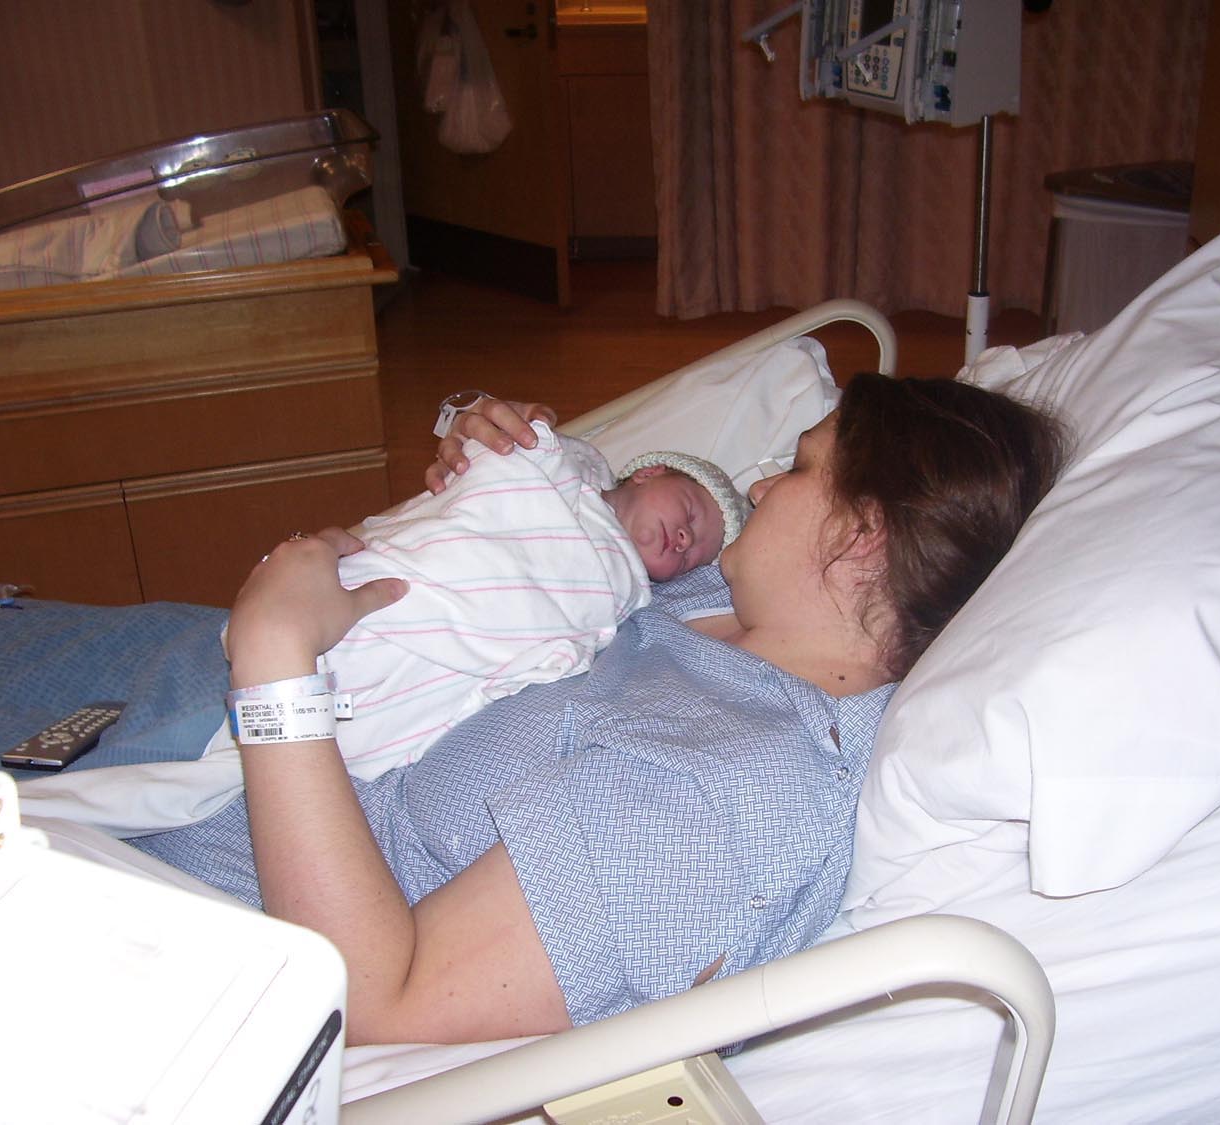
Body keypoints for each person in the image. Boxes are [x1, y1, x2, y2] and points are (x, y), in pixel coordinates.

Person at [125, 374, 1066, 1047]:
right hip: (210, 734)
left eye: (797, 468)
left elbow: (380, 997)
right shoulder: (723, 600)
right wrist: (503, 473)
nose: (759, 486)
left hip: (181, 930)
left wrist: (275, 659)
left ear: (861, 535)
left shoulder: (719, 794)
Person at [203, 413, 750, 778]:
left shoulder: (626, 589)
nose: (683, 539)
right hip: (392, 582)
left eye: (691, 553)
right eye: (689, 512)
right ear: (649, 473)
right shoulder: (561, 469)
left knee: (342, 695)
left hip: (440, 650)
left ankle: (272, 709)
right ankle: (270, 683)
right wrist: (479, 416)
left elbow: (578, 629)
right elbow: (490, 457)